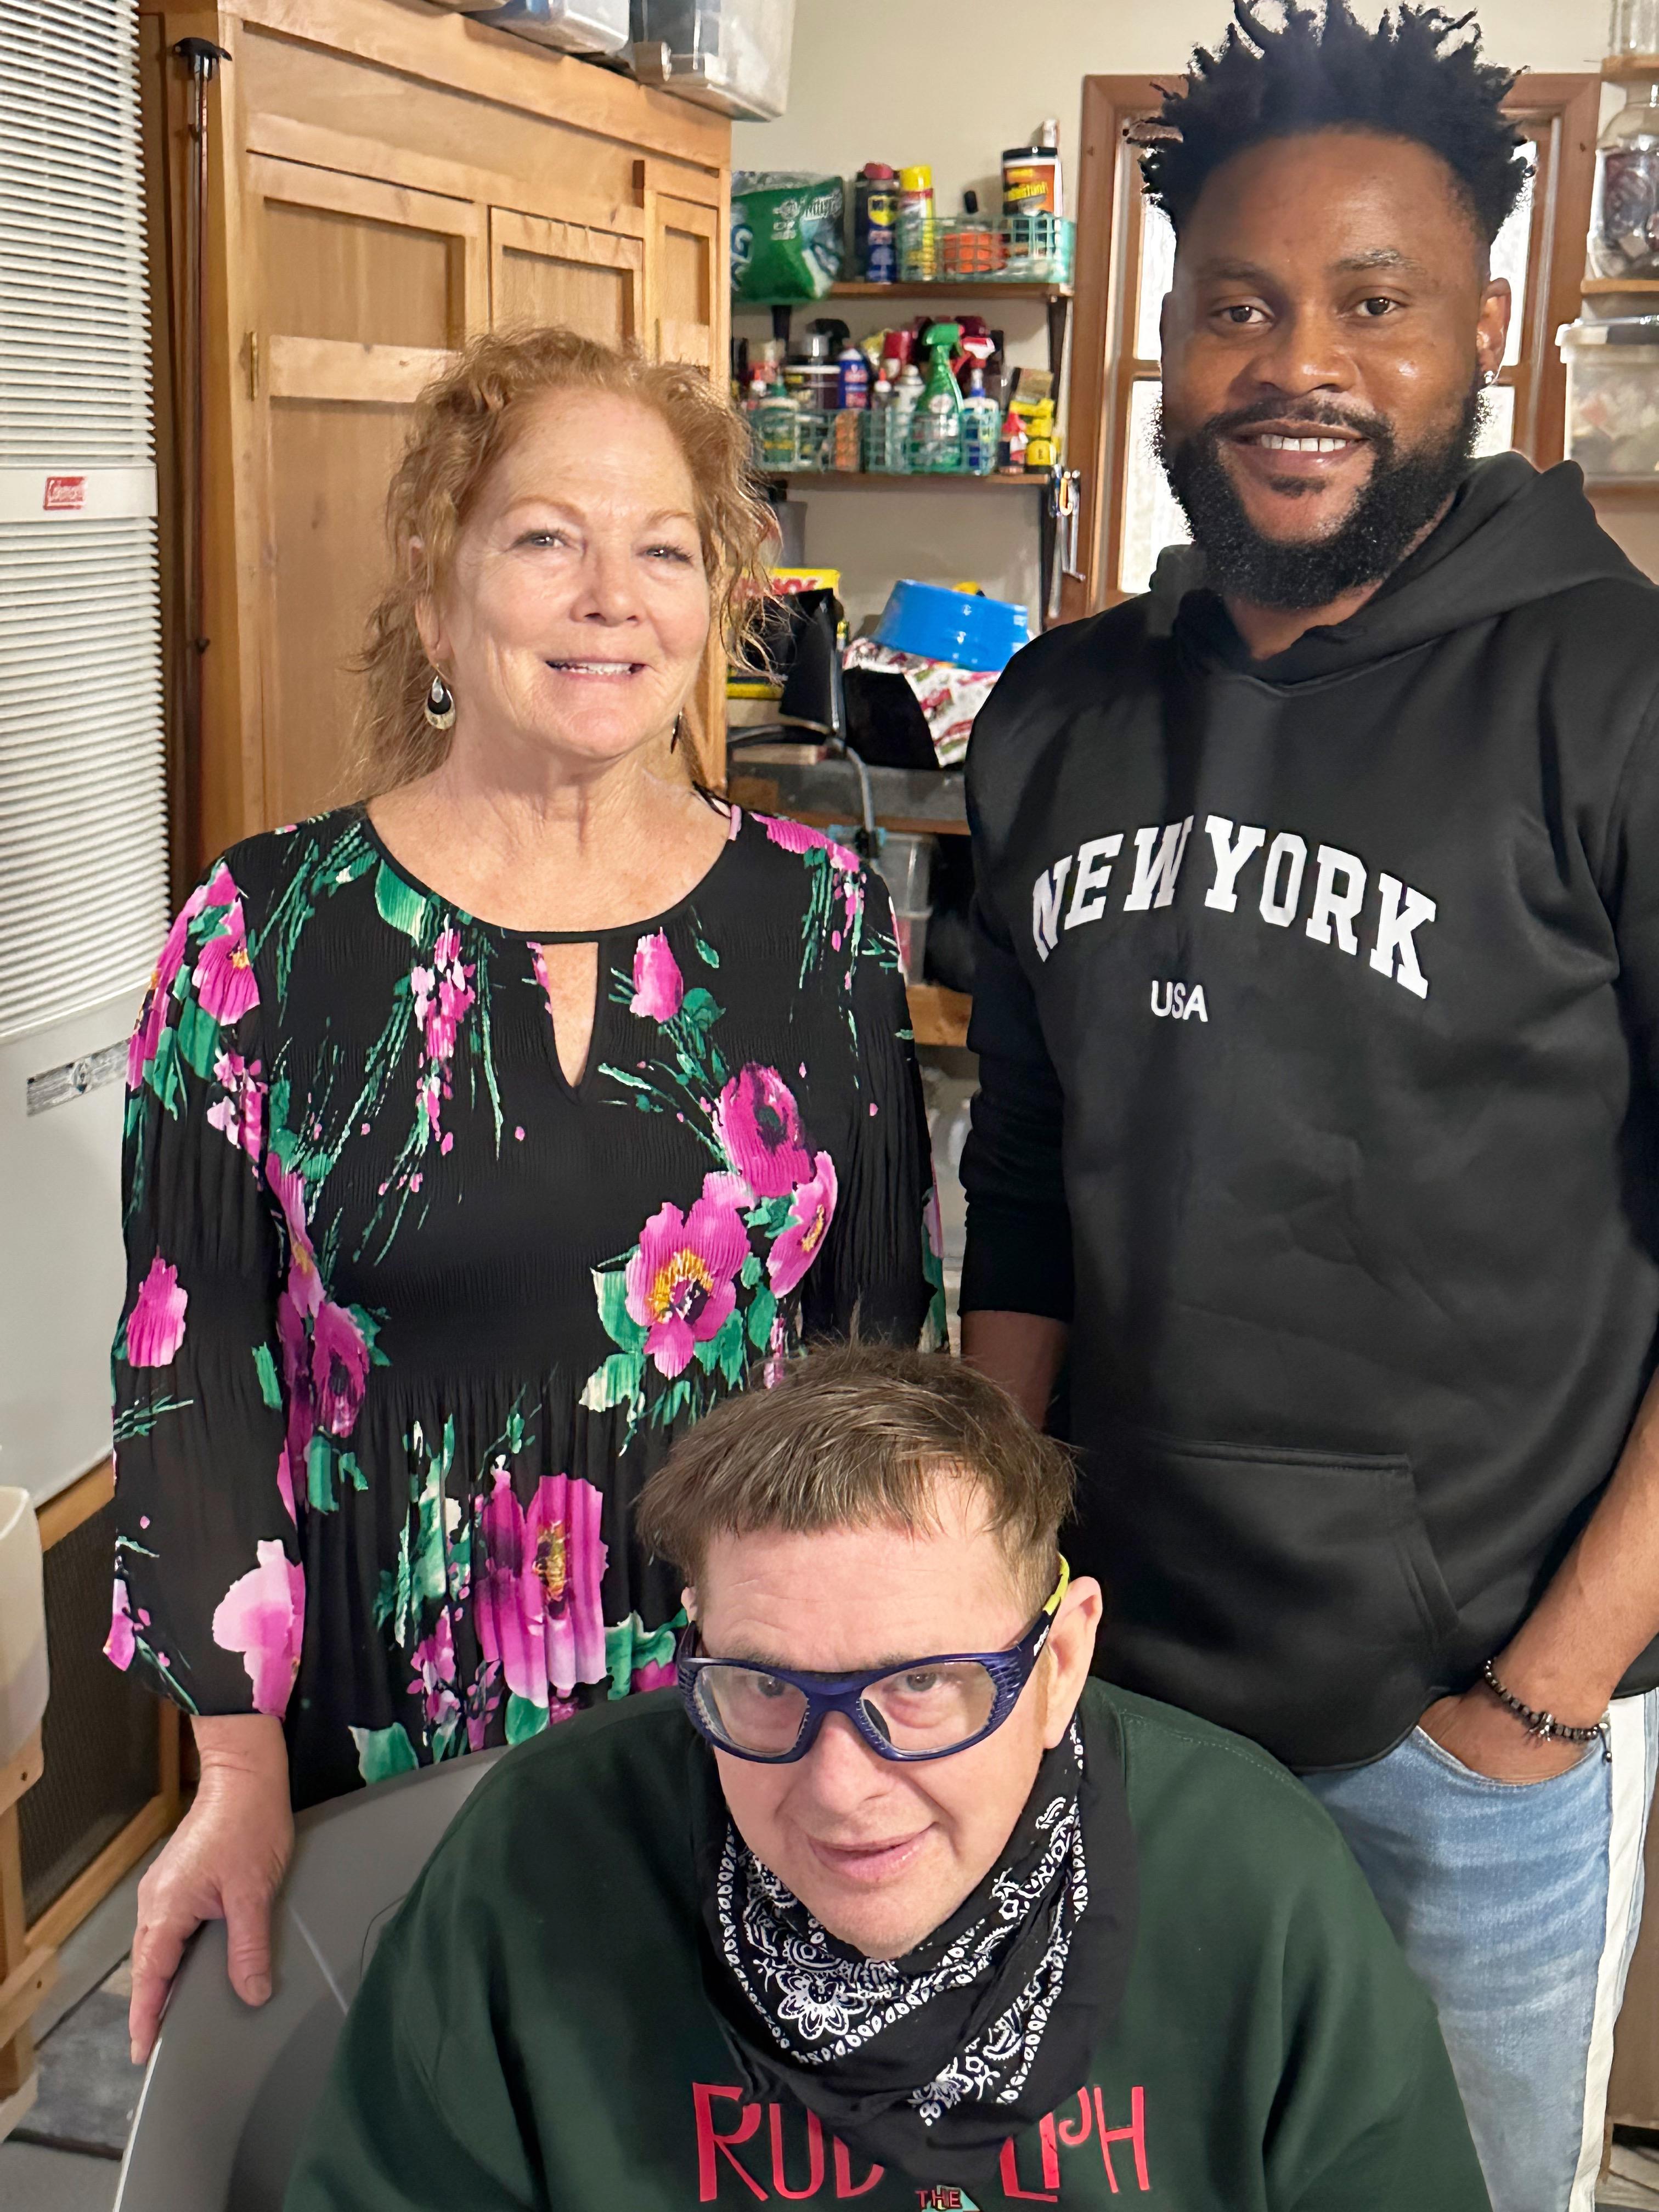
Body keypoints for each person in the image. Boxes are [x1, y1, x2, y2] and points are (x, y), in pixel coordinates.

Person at [958, 5, 1659, 2208]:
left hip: (1466, 1739)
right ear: (1165, 339)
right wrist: (993, 1576)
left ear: (1488, 338)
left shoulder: (1613, 696)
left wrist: (1542, 1704)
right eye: (1242, 307)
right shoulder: (1060, 715)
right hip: (1110, 1685)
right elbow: (1026, 1190)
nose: (1303, 365)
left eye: (1378, 306)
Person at [109, 326, 945, 2063]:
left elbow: (881, 1352)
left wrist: (891, 1724)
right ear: (440, 597)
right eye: (545, 537)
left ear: (715, 599)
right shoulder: (259, 935)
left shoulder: (822, 918)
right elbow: (190, 1382)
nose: (607, 597)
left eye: (662, 548)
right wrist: (236, 1773)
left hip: (748, 1737)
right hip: (379, 1747)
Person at [283, 1342, 1488, 2212]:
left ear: (1060, 1659)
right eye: (763, 1687)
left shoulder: (1257, 1884)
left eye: (921, 1687)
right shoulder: (538, 1863)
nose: (842, 1790)